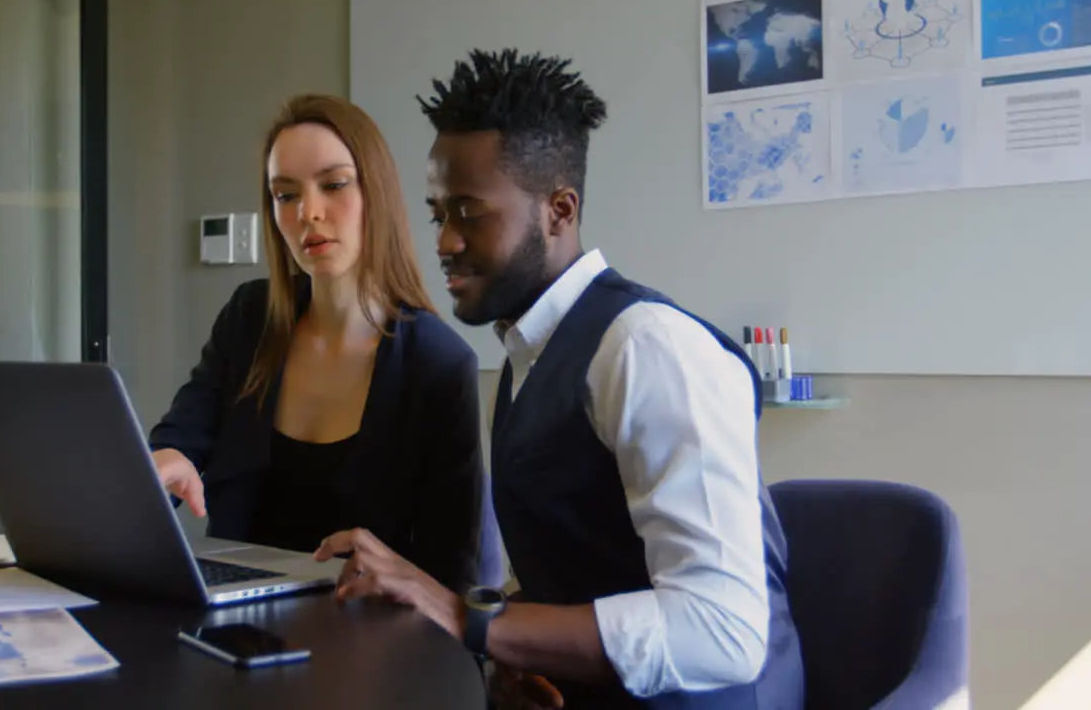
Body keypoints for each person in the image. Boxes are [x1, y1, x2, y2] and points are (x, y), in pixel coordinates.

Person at [313, 50, 805, 709]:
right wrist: (507, 641)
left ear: (559, 210)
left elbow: (724, 632)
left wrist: (470, 619)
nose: (444, 243)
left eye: (468, 212)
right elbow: (584, 568)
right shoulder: (529, 353)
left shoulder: (646, 349)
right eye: (438, 215)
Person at [148, 93, 503, 594]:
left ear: (375, 193)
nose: (308, 213)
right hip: (238, 629)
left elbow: (456, 580)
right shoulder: (249, 318)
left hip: (369, 644)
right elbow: (177, 441)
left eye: (333, 185)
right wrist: (163, 460)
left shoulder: (438, 364)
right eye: (285, 195)